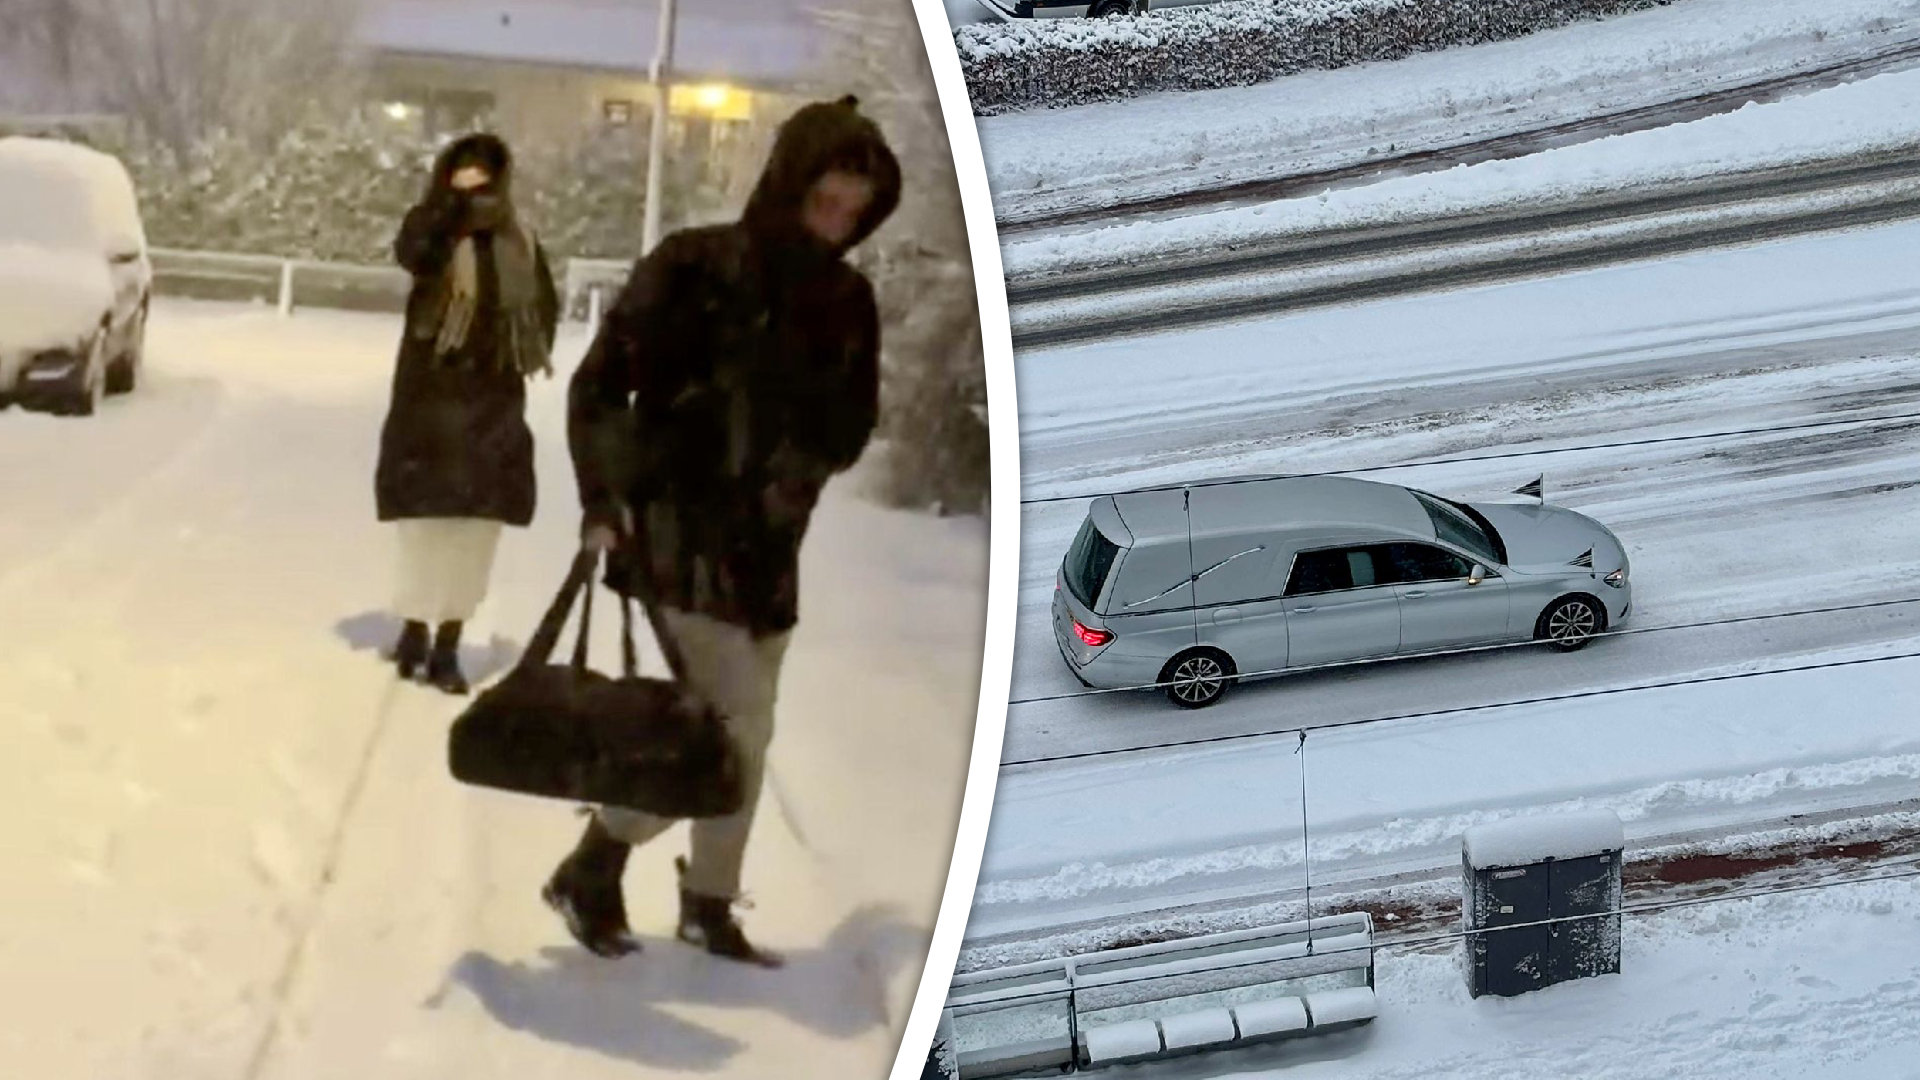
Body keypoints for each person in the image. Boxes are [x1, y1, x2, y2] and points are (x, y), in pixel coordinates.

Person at [543, 96, 901, 964]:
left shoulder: (849, 301)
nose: (836, 224)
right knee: (728, 734)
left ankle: (705, 900)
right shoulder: (694, 266)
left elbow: (852, 430)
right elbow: (596, 388)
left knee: (747, 730)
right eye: (825, 202)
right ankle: (596, 861)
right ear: (789, 184)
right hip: (675, 539)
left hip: (771, 555)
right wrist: (606, 498)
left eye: (855, 211)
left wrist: (806, 430)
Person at [374, 133, 559, 695]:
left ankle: (449, 643)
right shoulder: (431, 225)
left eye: (483, 172)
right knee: (423, 528)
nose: (473, 181)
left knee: (475, 532)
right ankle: (413, 628)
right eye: (463, 171)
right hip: (429, 402)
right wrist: (450, 210)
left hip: (492, 406)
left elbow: (543, 311)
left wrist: (512, 349)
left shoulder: (520, 239)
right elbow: (414, 253)